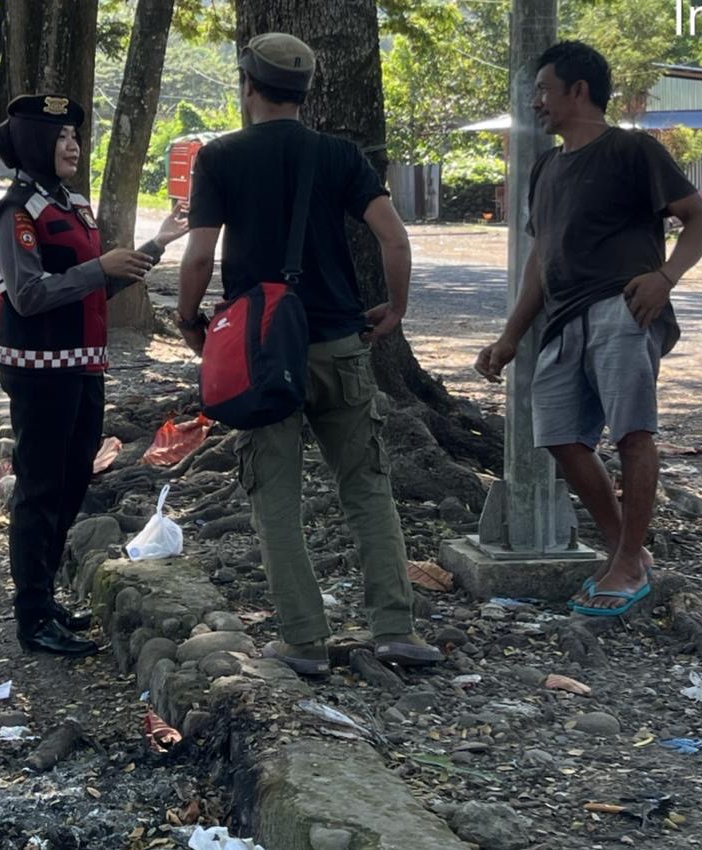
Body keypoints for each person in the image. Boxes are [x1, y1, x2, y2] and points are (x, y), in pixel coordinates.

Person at [177, 33, 442, 674]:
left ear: (248, 85)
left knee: (274, 496)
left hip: (262, 353)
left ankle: (302, 641)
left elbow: (199, 254)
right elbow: (394, 238)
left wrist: (189, 321)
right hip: (340, 345)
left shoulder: (220, 158)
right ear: (305, 92)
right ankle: (395, 628)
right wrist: (396, 308)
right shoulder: (340, 156)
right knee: (367, 488)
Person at [475, 41, 702, 617]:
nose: (536, 102)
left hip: (621, 308)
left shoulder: (631, 150)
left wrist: (665, 278)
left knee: (632, 434)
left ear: (578, 91)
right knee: (559, 436)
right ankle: (625, 552)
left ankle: (628, 562)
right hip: (562, 319)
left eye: (543, 90)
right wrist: (510, 336)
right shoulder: (546, 167)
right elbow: (540, 257)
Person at [0, 93, 188, 656]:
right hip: (38, 371)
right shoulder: (17, 213)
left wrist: (156, 244)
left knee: (72, 483)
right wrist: (98, 267)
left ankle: (46, 599)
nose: (72, 145)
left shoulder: (72, 204)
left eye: (75, 135)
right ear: (33, 143)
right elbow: (27, 295)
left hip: (82, 365)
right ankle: (31, 615)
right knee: (40, 491)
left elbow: (95, 285)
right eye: (60, 136)